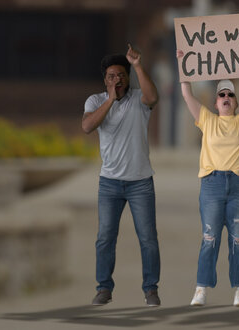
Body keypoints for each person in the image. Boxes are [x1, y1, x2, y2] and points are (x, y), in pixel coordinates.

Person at [176, 46, 239, 307]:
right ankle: (201, 288)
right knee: (209, 237)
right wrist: (184, 64)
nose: (227, 97)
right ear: (216, 101)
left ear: (237, 101)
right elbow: (186, 93)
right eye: (222, 94)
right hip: (212, 184)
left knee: (238, 239)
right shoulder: (206, 120)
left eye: (230, 94)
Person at [82, 44, 161, 307]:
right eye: (112, 76)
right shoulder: (95, 101)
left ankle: (151, 289)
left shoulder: (139, 98)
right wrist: (110, 99)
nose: (117, 79)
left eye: (121, 75)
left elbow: (154, 98)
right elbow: (87, 126)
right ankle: (104, 288)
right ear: (105, 79)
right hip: (109, 183)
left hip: (140, 182)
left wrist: (137, 64)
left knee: (148, 238)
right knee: (105, 237)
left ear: (128, 78)